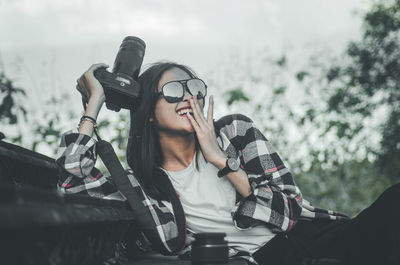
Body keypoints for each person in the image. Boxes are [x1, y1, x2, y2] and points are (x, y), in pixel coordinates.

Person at [56, 62, 399, 265]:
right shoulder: (143, 187)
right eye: (175, 90)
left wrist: (223, 162)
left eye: (195, 89)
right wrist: (93, 106)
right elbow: (72, 183)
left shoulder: (235, 132)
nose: (189, 98)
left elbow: (290, 213)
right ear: (147, 113)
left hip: (314, 238)